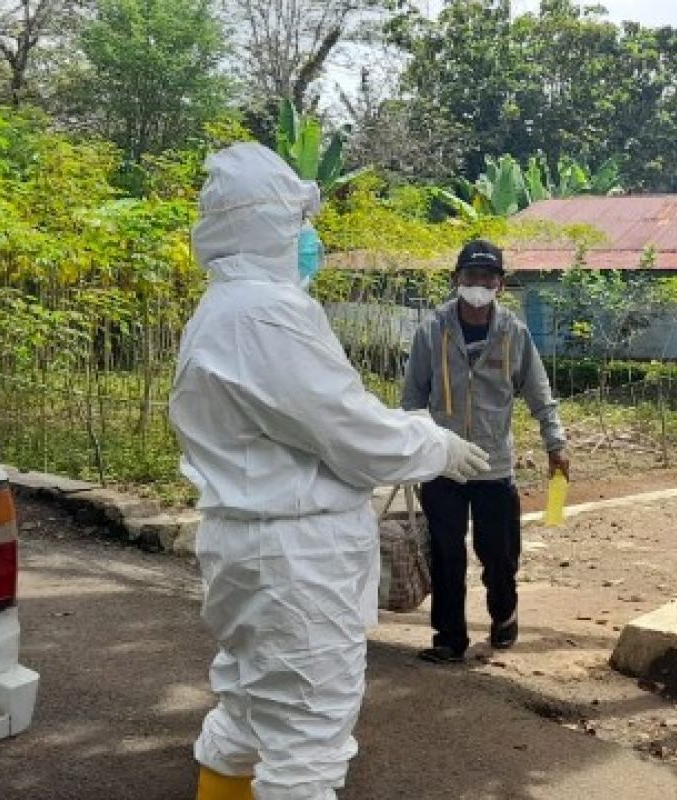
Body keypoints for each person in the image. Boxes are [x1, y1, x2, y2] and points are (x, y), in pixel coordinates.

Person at [171, 142, 491, 800]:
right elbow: (351, 433)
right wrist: (434, 445)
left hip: (248, 545)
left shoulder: (220, 309)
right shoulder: (268, 312)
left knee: (247, 713)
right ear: (268, 228)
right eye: (299, 224)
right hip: (292, 556)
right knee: (306, 742)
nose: (309, 239)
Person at [402, 239, 570, 664]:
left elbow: (539, 391)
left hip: (494, 467)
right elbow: (411, 400)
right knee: (446, 554)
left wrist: (557, 443)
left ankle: (503, 614)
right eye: (471, 276)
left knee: (499, 554)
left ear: (500, 283)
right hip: (443, 465)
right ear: (457, 278)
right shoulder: (431, 331)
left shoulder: (513, 333)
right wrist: (410, 450)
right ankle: (449, 638)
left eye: (487, 277)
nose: (479, 284)